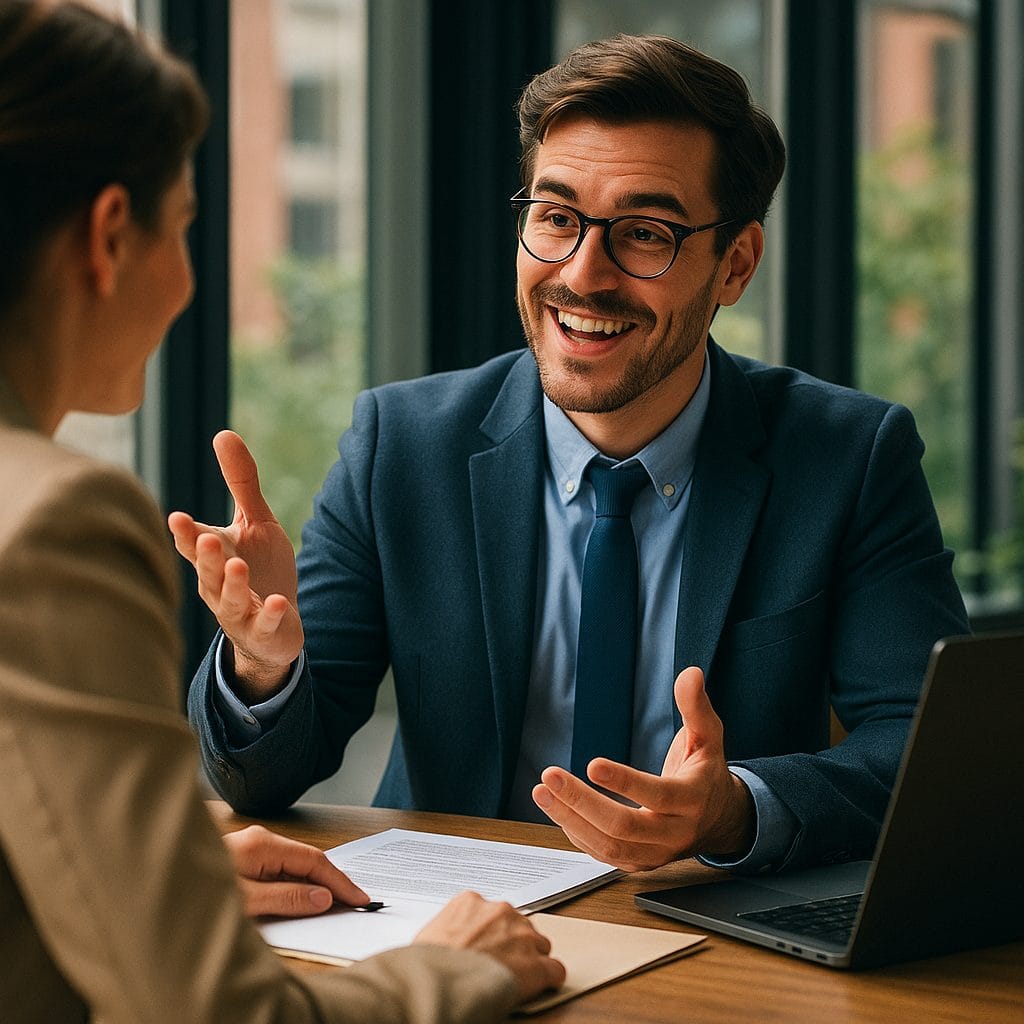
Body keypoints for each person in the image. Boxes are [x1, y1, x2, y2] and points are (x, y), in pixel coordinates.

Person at [172, 34, 969, 877]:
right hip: (456, 924)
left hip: (712, 931)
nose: (583, 276)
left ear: (735, 264)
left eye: (644, 234)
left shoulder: (849, 456)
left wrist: (734, 809)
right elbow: (264, 778)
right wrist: (261, 671)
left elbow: (928, 755)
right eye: (556, 218)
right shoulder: (402, 446)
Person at [0, 2, 564, 1021]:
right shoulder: (50, 519)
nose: (186, 280)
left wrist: (170, 883)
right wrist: (458, 966)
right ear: (108, 235)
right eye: (183, 225)